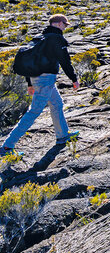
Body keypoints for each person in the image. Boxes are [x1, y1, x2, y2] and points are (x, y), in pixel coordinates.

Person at [2, 14, 80, 154]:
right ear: (56, 24)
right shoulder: (56, 39)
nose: (65, 27)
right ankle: (7, 146)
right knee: (34, 111)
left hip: (37, 78)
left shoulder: (39, 38)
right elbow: (65, 61)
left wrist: (29, 83)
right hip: (46, 79)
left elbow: (30, 62)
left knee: (57, 104)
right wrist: (74, 79)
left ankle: (62, 136)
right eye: (64, 24)